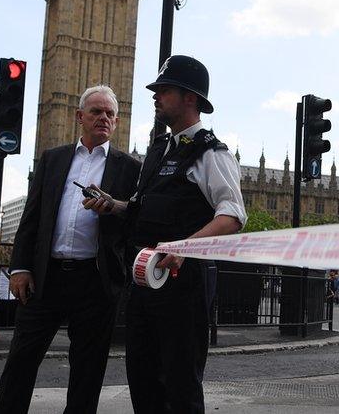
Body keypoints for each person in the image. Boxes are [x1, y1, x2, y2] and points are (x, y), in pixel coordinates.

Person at [85, 55, 247, 413]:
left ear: (190, 98)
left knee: (180, 386)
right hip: (145, 282)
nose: (155, 96)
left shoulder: (211, 152)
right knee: (143, 382)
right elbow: (143, 209)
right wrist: (114, 205)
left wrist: (186, 247)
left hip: (183, 285)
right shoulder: (160, 149)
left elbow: (233, 215)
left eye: (164, 90)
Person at [0, 85, 141, 414]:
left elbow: (137, 219)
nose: (103, 117)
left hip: (95, 281)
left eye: (109, 114)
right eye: (96, 112)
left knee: (88, 371)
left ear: (116, 122)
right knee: (21, 360)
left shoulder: (129, 168)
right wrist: (20, 268)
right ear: (80, 117)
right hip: (47, 278)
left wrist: (114, 206)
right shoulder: (54, 158)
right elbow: (32, 218)